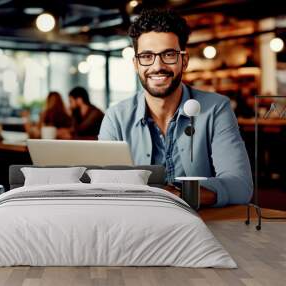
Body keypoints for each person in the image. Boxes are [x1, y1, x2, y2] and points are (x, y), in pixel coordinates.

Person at [98, 9, 253, 207]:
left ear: (184, 61)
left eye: (169, 54)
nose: (157, 66)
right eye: (146, 56)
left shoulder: (216, 109)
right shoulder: (116, 118)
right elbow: (104, 187)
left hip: (200, 228)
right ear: (136, 64)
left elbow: (240, 186)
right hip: (135, 226)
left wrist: (177, 196)